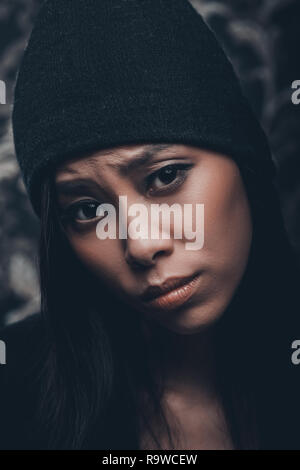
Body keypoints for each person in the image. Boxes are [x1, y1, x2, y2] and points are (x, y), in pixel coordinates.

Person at [0, 0, 300, 450]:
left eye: (165, 176)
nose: (141, 245)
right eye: (87, 210)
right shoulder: (14, 392)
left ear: (244, 161)